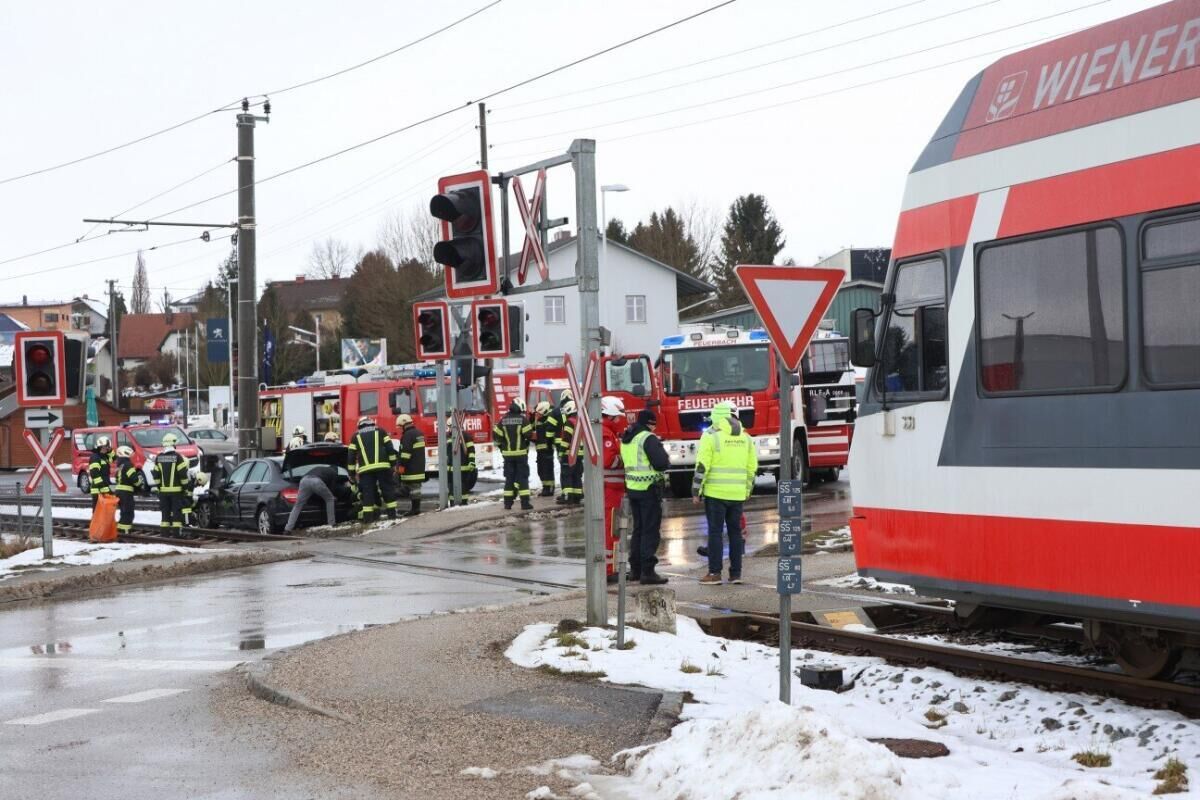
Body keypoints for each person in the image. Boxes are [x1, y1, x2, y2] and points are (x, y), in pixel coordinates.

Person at [694, 402, 757, 585]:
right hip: (737, 494)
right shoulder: (746, 438)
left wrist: (696, 490)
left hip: (715, 493)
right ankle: (736, 574)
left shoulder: (710, 436)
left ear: (717, 416)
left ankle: (714, 573)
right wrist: (747, 490)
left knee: (715, 533)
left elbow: (702, 466)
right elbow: (752, 468)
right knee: (735, 533)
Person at [620, 409, 671, 584]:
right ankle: (648, 571)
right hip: (649, 489)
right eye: (654, 425)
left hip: (633, 488)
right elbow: (661, 463)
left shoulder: (627, 437)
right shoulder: (648, 438)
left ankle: (635, 569)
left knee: (638, 530)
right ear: (650, 424)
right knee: (650, 531)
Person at [600, 396, 629, 584]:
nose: (619, 420)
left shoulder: (607, 431)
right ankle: (609, 570)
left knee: (614, 530)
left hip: (613, 489)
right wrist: (625, 458)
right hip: (610, 490)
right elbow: (608, 461)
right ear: (609, 415)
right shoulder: (605, 433)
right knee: (611, 531)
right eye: (617, 417)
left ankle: (612, 568)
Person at [350, 417, 397, 522]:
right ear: (372, 423)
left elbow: (351, 456)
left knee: (367, 494)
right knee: (387, 490)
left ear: (359, 425)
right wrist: (393, 464)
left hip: (365, 470)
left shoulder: (355, 436)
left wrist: (351, 473)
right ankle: (392, 516)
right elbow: (390, 448)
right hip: (383, 467)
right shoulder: (381, 431)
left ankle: (368, 520)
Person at [494, 399, 534, 510]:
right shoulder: (523, 420)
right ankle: (525, 503)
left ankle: (507, 503)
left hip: (507, 455)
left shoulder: (503, 420)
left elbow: (496, 437)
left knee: (509, 478)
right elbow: (529, 435)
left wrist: (502, 448)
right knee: (522, 478)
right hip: (521, 454)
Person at [152, 433, 192, 538]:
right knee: (176, 514)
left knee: (165, 514)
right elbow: (183, 475)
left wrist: (160, 487)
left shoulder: (159, 458)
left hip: (163, 492)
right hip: (176, 492)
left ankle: (164, 534)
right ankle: (176, 534)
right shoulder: (178, 457)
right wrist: (185, 488)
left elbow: (155, 475)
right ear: (172, 444)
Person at [284, 463, 338, 532]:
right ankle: (332, 523)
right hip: (316, 481)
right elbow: (332, 489)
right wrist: (333, 497)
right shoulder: (333, 472)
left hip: (304, 480)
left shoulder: (319, 468)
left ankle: (288, 529)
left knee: (297, 506)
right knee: (330, 499)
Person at [394, 413, 426, 516]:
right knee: (415, 490)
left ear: (404, 424)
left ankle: (414, 510)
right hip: (419, 467)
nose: (400, 429)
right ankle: (415, 509)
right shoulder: (419, 433)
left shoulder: (407, 435)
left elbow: (405, 454)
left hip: (410, 468)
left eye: (400, 427)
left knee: (408, 489)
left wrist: (401, 466)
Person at [112, 445, 145, 538]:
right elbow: (134, 479)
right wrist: (140, 484)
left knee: (123, 512)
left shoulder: (120, 465)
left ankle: (121, 530)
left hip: (119, 492)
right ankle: (125, 532)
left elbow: (117, 478)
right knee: (128, 512)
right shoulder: (128, 465)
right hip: (126, 493)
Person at [557, 400, 585, 505]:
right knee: (576, 475)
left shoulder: (569, 422)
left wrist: (561, 453)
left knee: (566, 475)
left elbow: (566, 440)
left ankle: (567, 497)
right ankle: (577, 496)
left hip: (569, 454)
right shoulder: (580, 421)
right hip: (579, 454)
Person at [445, 415, 477, 499]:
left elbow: (471, 451)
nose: (449, 429)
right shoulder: (448, 437)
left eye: (450, 427)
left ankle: (463, 504)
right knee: (451, 490)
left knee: (463, 489)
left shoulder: (465, 436)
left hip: (463, 468)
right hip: (450, 469)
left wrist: (471, 462)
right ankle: (453, 504)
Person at [532, 400, 557, 497]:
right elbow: (532, 431)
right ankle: (545, 487)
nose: (537, 415)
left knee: (547, 470)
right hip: (540, 450)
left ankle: (549, 488)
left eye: (539, 413)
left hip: (547, 450)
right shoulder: (537, 422)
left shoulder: (549, 421)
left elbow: (550, 436)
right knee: (541, 470)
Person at [550, 391, 571, 503]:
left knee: (565, 470)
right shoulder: (578, 410)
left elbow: (549, 429)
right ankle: (576, 493)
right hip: (576, 445)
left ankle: (566, 494)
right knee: (576, 470)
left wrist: (549, 441)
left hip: (560, 445)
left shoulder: (556, 411)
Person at [86, 436, 114, 508]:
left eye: (108, 447)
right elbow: (94, 474)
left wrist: (110, 451)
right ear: (101, 447)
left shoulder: (104, 457)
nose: (108, 448)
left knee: (105, 511)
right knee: (98, 512)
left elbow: (114, 458)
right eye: (107, 447)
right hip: (98, 490)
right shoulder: (95, 457)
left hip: (103, 488)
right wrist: (104, 488)